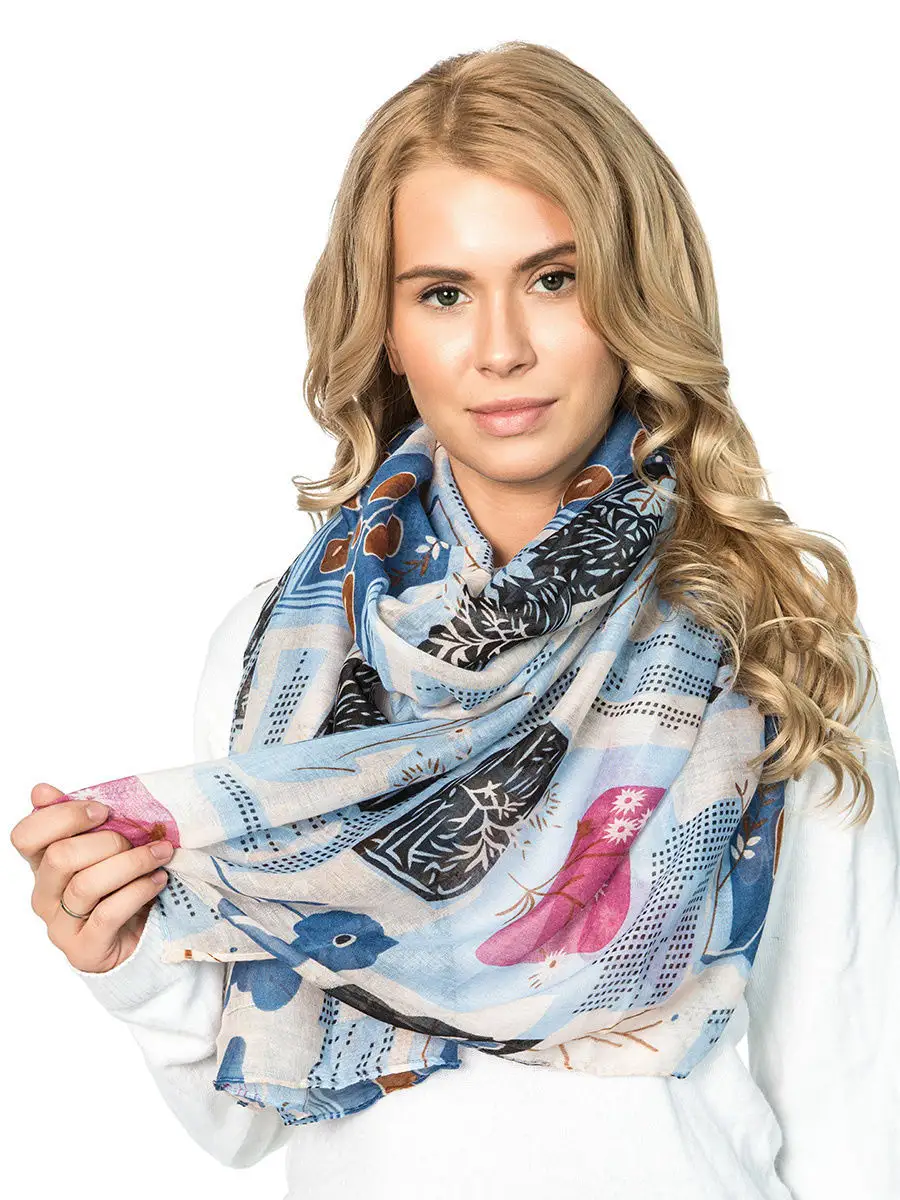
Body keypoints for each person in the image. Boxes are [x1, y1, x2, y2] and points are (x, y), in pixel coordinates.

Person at [11, 40, 899, 1200]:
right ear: (386, 329)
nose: (502, 348)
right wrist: (136, 960)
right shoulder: (284, 650)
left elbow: (850, 1086)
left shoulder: (768, 639)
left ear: (634, 293)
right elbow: (248, 1122)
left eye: (555, 279)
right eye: (443, 293)